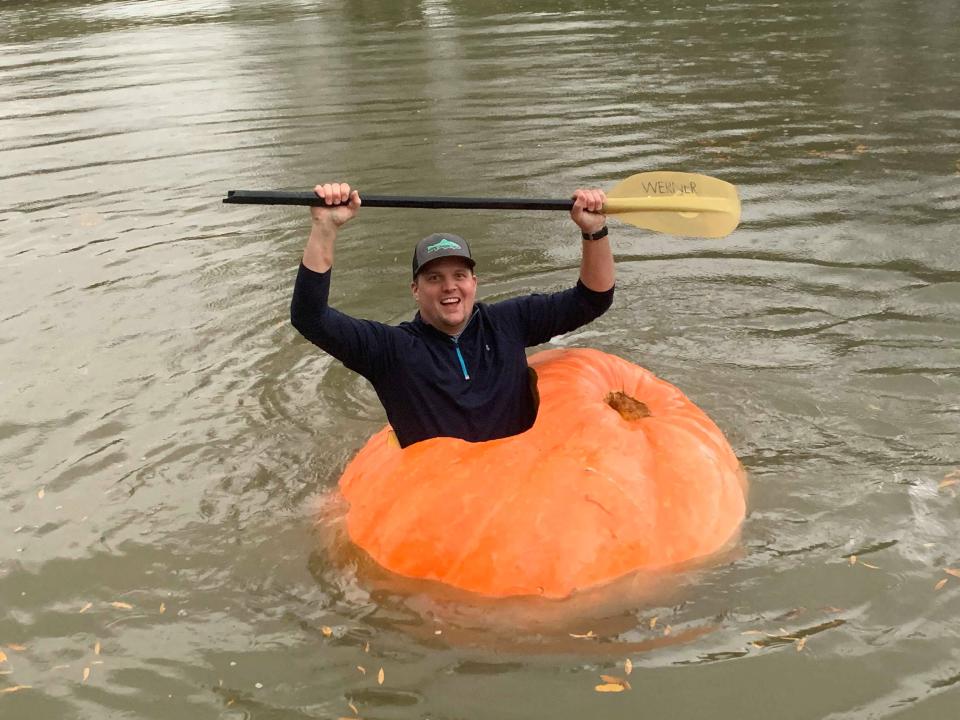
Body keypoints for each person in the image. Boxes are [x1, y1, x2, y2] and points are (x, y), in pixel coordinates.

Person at [291, 182, 615, 448]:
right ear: (415, 289)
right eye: (434, 278)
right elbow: (310, 317)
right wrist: (325, 227)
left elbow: (592, 299)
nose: (450, 287)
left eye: (459, 275)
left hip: (520, 486)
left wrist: (594, 230)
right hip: (445, 502)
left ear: (474, 282)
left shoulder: (509, 322)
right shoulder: (390, 351)